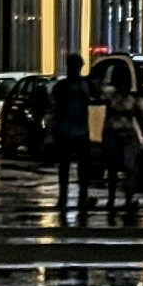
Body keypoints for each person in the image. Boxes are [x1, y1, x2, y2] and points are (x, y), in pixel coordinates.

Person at [48, 53, 94, 217]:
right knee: (68, 166)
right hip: (69, 129)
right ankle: (67, 197)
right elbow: (56, 109)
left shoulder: (82, 85)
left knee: (78, 167)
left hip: (78, 129)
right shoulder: (64, 86)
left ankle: (77, 197)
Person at [99, 55, 143, 216]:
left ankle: (127, 198)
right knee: (113, 169)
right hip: (115, 135)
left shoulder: (131, 98)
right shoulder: (111, 96)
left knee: (129, 169)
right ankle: (113, 199)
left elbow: (139, 117)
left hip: (125, 136)